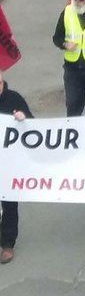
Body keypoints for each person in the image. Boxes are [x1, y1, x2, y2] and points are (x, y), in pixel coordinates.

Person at [0, 70, 32, 263]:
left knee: (9, 204)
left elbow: (34, 126)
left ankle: (7, 244)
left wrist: (23, 118)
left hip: (9, 163)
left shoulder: (14, 99)